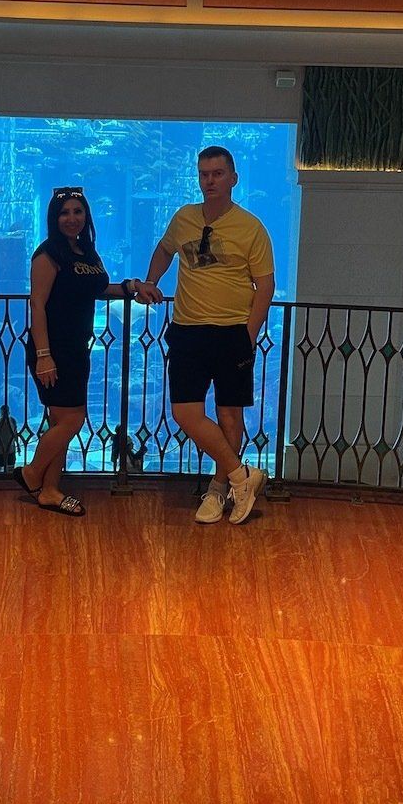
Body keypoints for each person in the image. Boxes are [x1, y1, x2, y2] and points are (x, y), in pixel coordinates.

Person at [141, 146, 274, 525]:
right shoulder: (184, 218)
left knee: (229, 414)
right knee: (185, 412)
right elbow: (165, 249)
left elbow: (265, 285)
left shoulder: (251, 228)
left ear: (233, 178)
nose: (210, 180)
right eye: (204, 174)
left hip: (232, 333)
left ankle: (218, 489)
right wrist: (151, 280)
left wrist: (249, 335)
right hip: (187, 330)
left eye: (217, 173)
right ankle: (242, 476)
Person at [14, 186, 150, 516]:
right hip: (53, 350)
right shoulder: (48, 254)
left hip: (77, 348)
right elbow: (37, 305)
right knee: (73, 420)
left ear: (86, 215)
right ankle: (31, 473)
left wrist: (131, 287)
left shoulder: (86, 251)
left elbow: (98, 288)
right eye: (64, 213)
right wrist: (44, 356)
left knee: (61, 421)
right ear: (54, 218)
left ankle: (50, 490)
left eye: (77, 211)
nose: (71, 218)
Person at [0, 403, 19, 470]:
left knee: (10, 469)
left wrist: (18, 445)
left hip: (10, 450)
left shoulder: (13, 421)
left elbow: (15, 435)